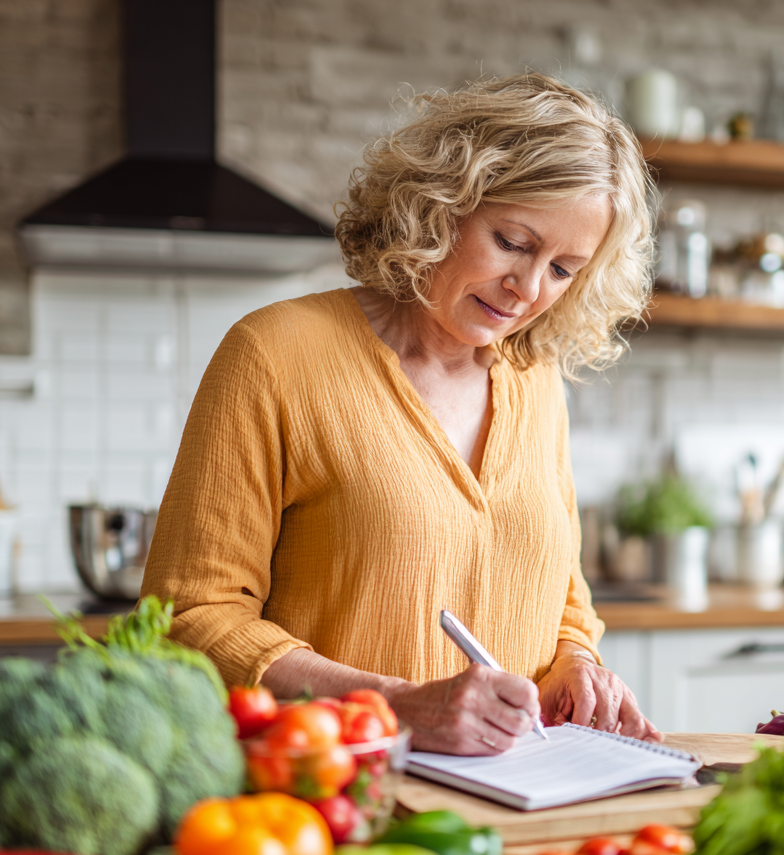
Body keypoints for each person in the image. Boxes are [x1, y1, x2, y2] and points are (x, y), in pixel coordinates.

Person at [142, 72, 662, 754]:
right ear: (441, 204)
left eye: (565, 269)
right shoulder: (274, 354)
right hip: (327, 795)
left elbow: (561, 589)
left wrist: (578, 663)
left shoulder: (535, 380)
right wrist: (397, 705)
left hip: (512, 805)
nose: (530, 289)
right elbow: (189, 616)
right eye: (513, 242)